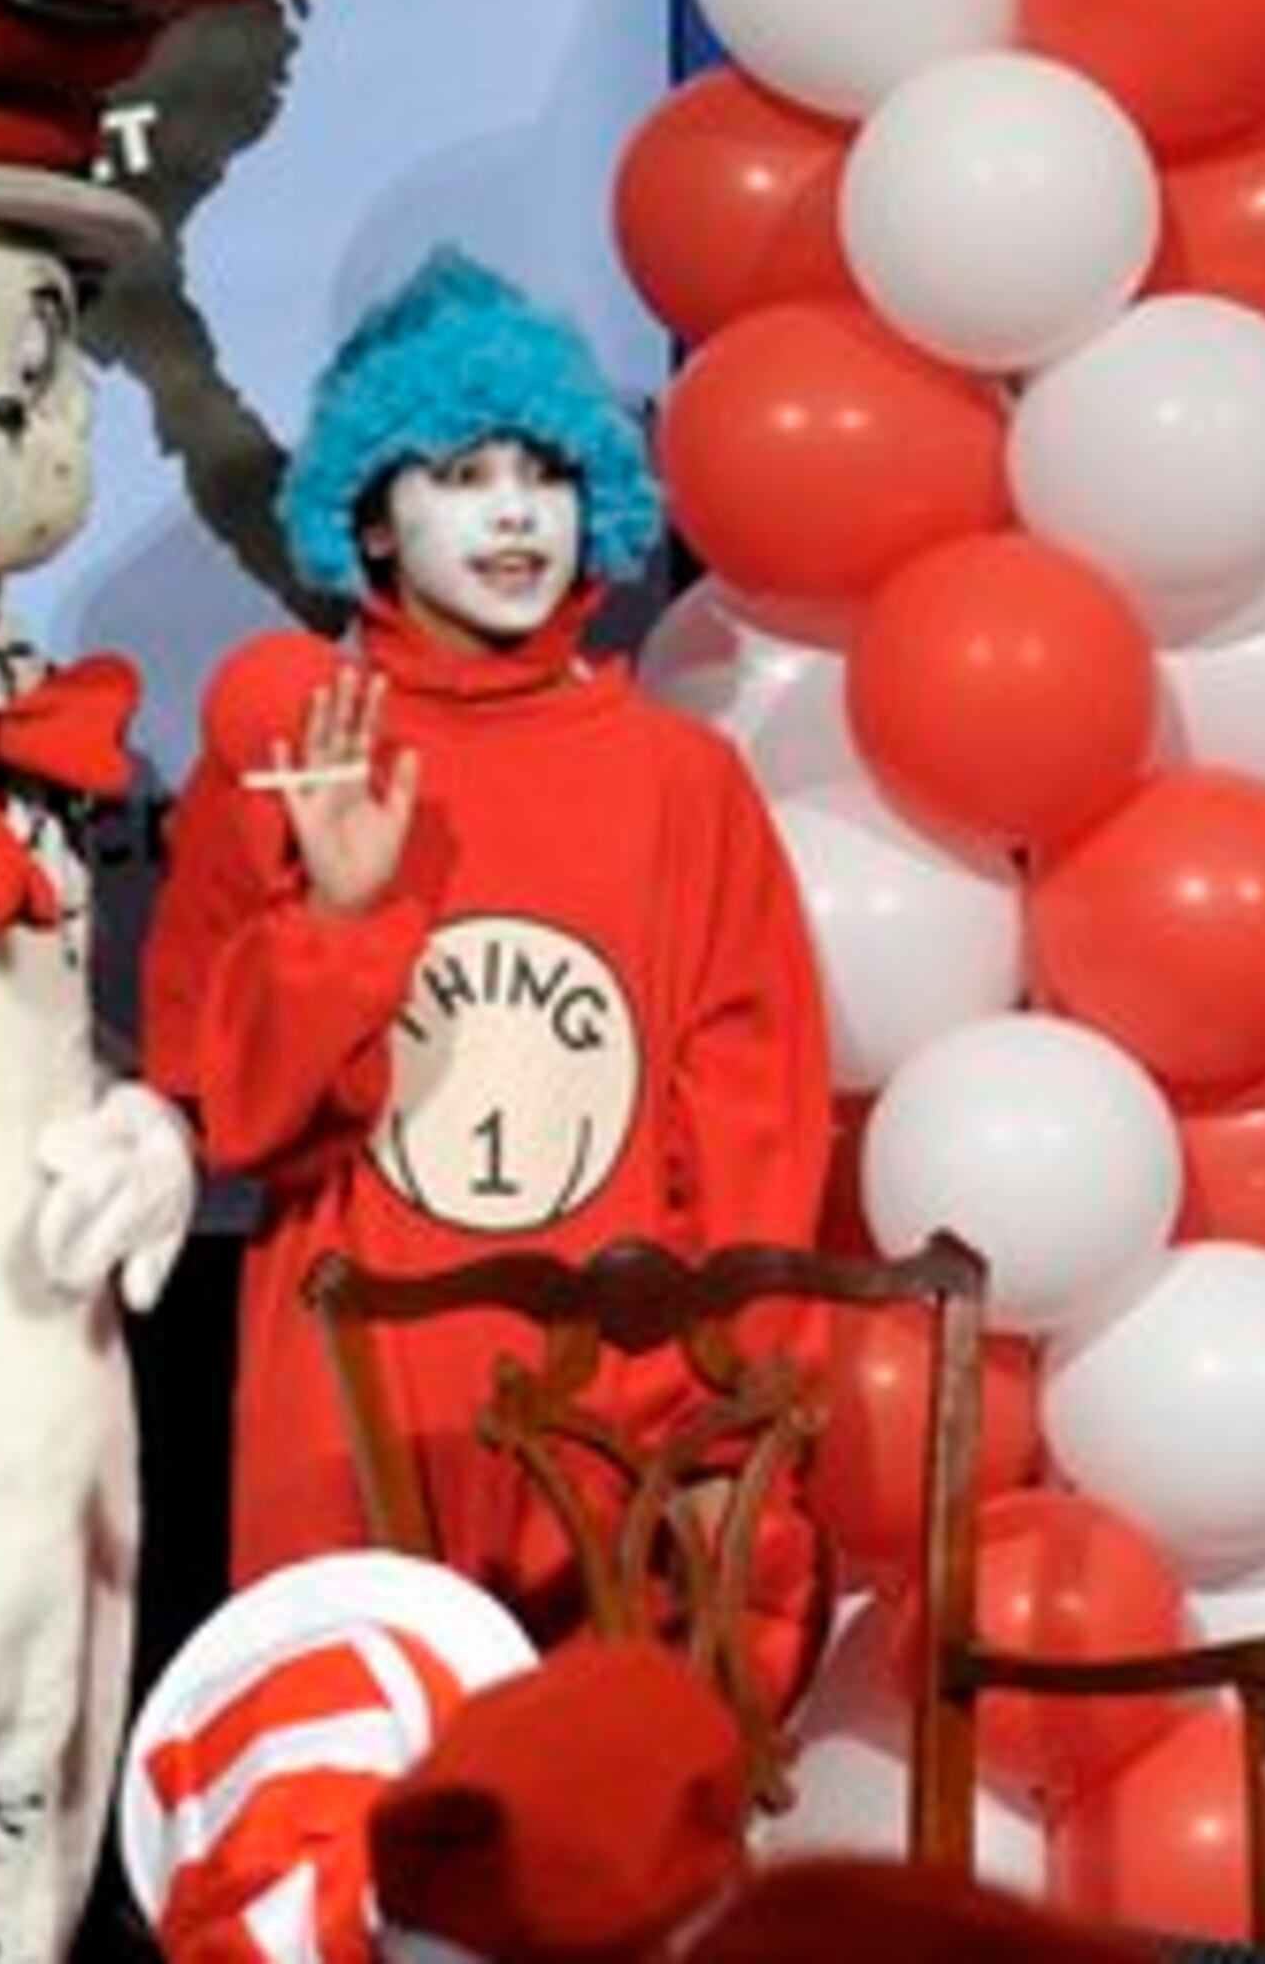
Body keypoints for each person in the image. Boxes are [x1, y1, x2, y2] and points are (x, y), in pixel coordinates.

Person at [141, 250, 834, 1641]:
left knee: (610, 1826)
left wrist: (732, 1424)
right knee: (351, 1807)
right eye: (460, 474)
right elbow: (234, 1111)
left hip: (617, 1416)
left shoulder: (679, 781)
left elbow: (753, 1127)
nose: (516, 513)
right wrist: (339, 922)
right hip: (355, 1408)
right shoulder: (301, 746)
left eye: (547, 472)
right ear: (375, 521)